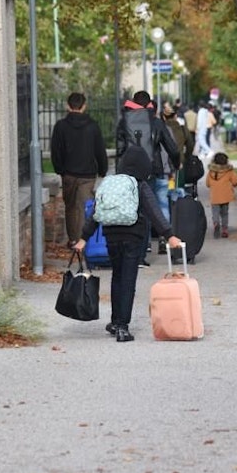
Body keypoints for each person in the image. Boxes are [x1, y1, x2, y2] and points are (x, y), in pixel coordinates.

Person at [74, 145, 182, 342]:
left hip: (111, 236)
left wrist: (84, 238)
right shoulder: (139, 185)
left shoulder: (110, 184)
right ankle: (123, 326)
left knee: (117, 277)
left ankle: (115, 321)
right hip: (133, 237)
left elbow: (95, 213)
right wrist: (169, 235)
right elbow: (154, 212)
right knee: (128, 280)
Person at [115, 90, 180, 261]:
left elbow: (120, 150)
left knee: (130, 211)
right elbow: (172, 147)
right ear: (149, 103)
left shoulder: (123, 122)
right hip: (150, 171)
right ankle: (142, 254)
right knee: (147, 210)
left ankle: (130, 253)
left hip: (127, 174)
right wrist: (177, 163)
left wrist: (118, 172)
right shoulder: (156, 122)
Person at [50, 92, 109, 248]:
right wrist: (103, 170)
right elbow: (99, 150)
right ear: (84, 106)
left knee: (70, 207)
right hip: (88, 173)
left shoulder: (60, 126)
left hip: (68, 173)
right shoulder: (93, 126)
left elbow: (55, 150)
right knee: (85, 206)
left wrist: (60, 169)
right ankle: (84, 241)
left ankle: (73, 239)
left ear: (68, 106)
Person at [162, 102, 193, 203]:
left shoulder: (161, 129)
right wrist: (185, 157)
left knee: (164, 192)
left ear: (163, 117)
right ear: (175, 116)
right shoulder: (183, 129)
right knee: (179, 189)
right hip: (179, 162)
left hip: (164, 164)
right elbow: (190, 145)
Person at [205, 151, 237, 239]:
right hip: (226, 196)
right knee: (224, 213)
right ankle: (224, 229)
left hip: (215, 197)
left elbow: (208, 184)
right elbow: (235, 181)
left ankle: (216, 223)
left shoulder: (211, 172)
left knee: (215, 213)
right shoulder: (229, 171)